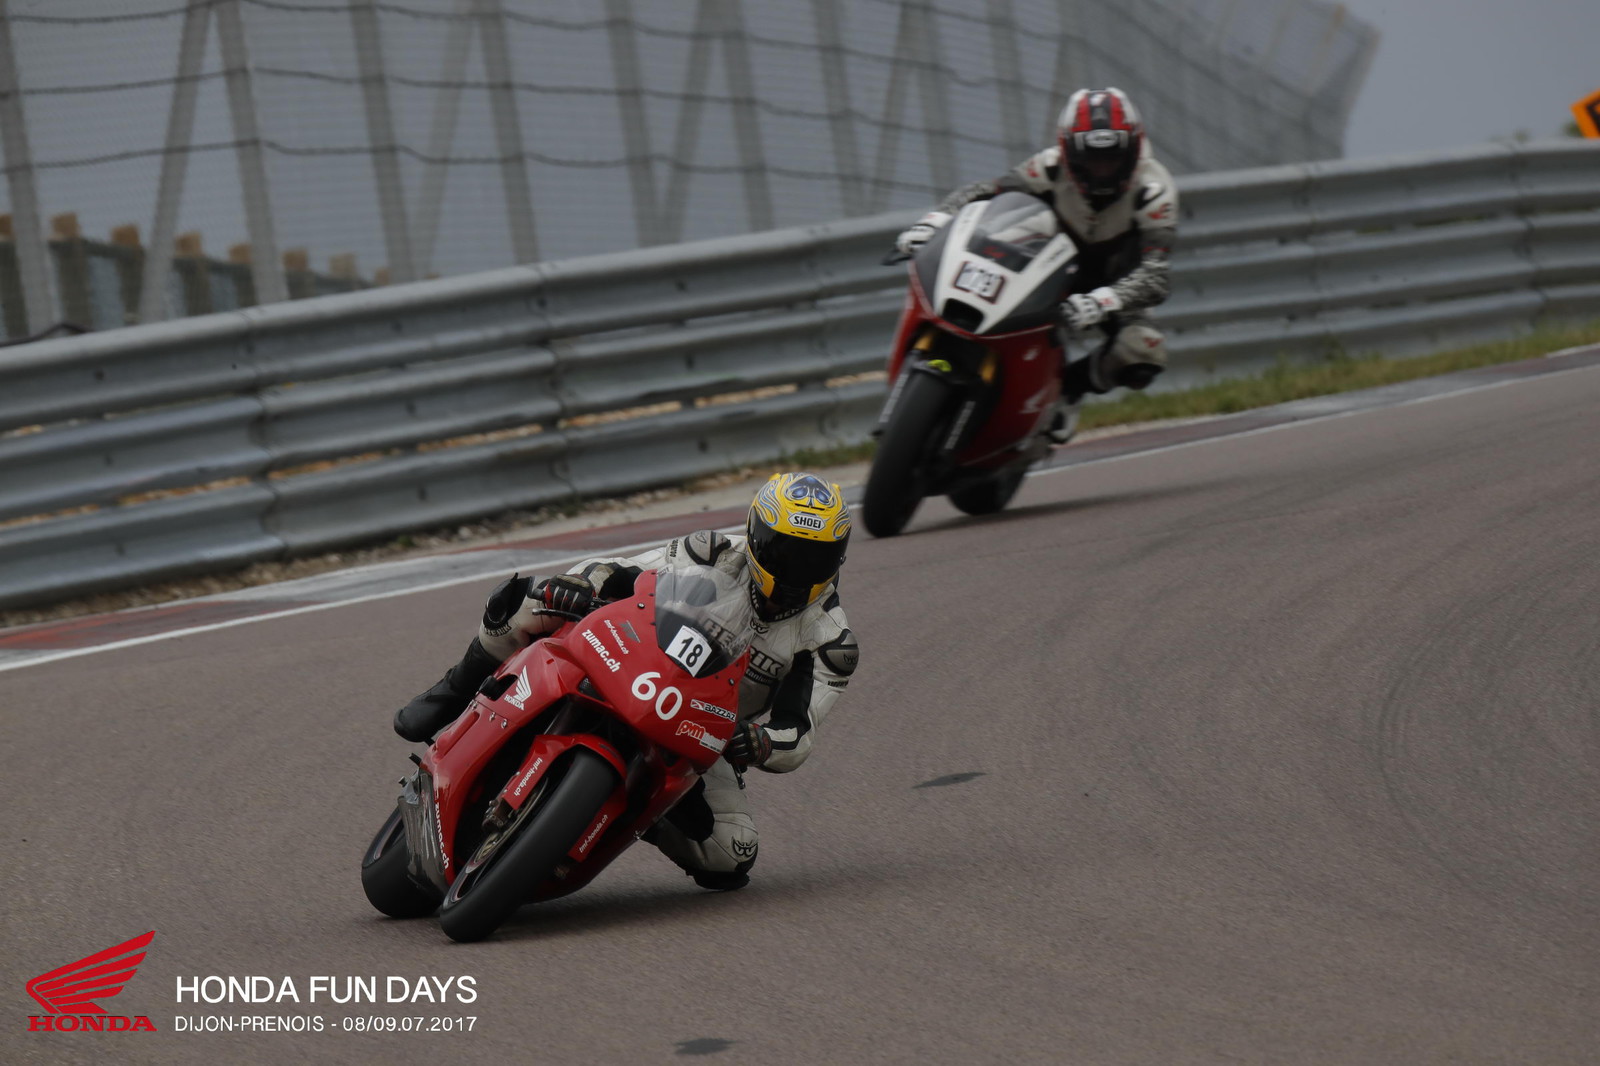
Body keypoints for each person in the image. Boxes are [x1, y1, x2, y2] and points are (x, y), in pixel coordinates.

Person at [392, 471, 860, 892]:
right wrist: (581, 584)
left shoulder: (829, 642)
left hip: (699, 732)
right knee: (528, 598)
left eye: (814, 559)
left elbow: (798, 734)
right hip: (629, 658)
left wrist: (759, 743)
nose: (796, 570)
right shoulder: (711, 552)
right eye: (784, 551)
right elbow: (617, 569)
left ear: (838, 556)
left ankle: (636, 810)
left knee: (730, 853)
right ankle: (456, 687)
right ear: (756, 535)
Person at [895, 86, 1178, 444]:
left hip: (1116, 285)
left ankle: (1068, 391)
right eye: (1091, 159)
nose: (1102, 171)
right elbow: (986, 192)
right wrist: (934, 221)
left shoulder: (1154, 190)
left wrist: (1103, 301)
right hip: (1047, 266)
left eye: (1112, 159)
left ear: (1134, 150)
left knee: (1144, 349)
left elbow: (1155, 275)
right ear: (1068, 151)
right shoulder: (1049, 166)